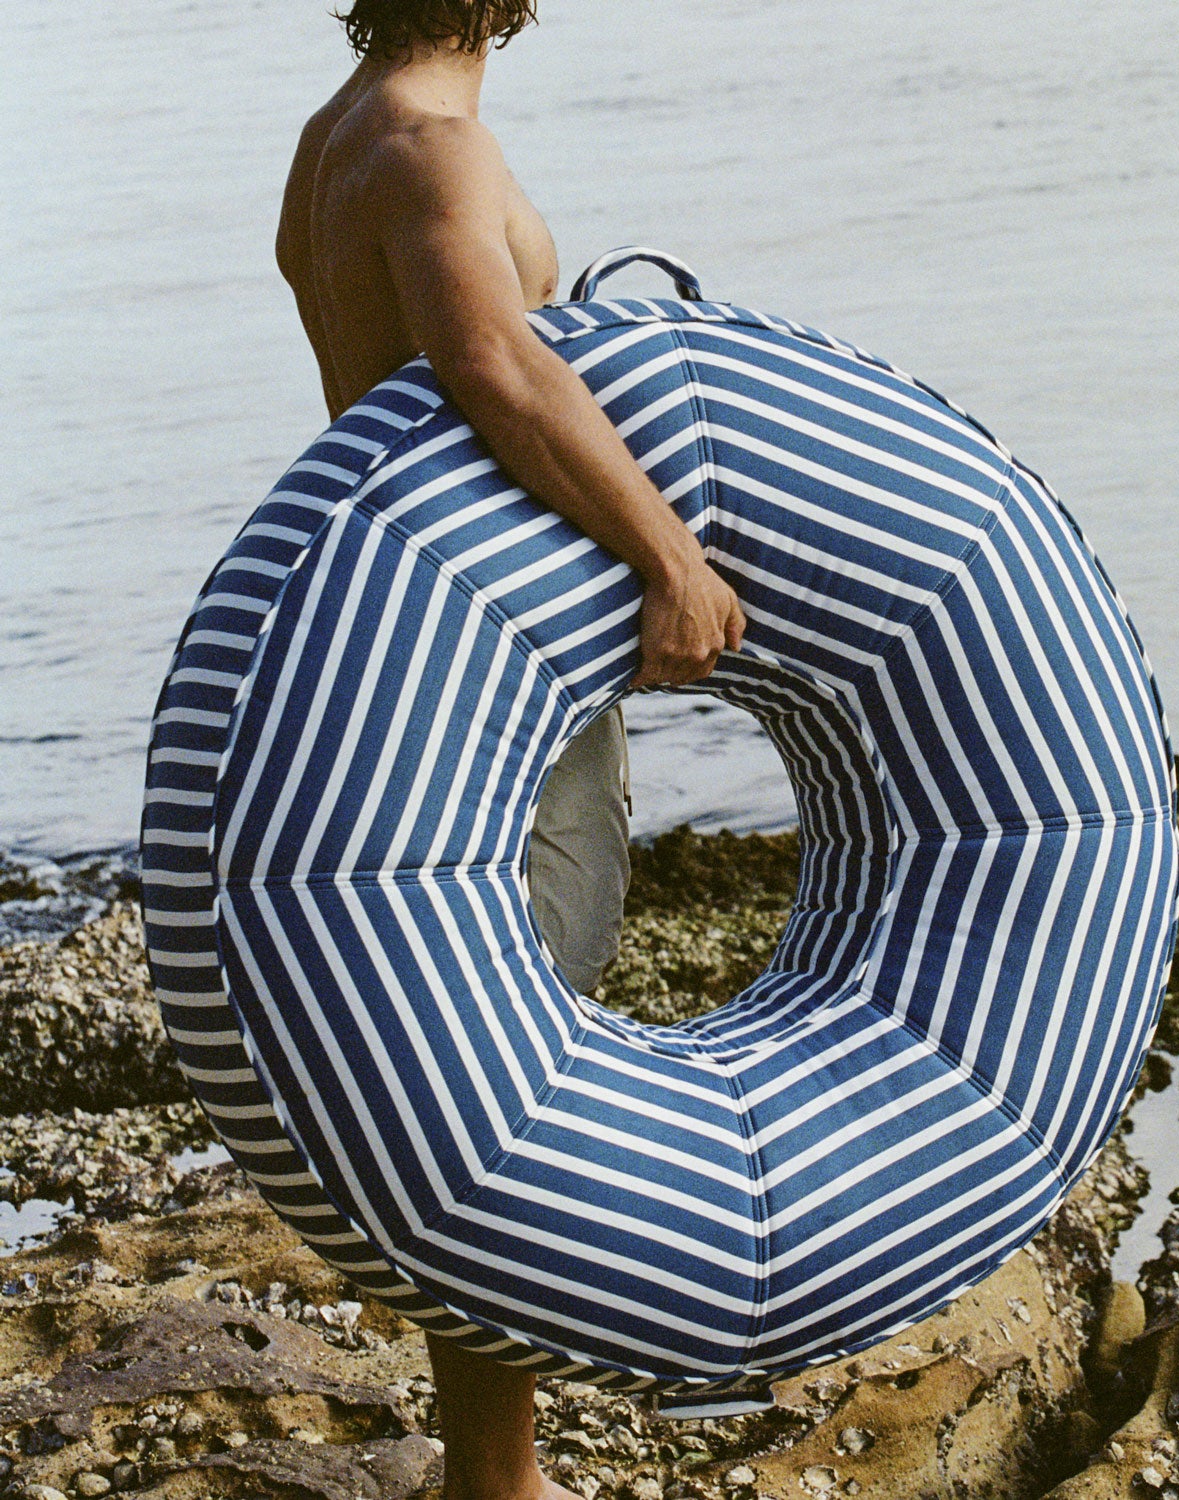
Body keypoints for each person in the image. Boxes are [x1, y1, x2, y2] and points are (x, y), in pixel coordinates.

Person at [274, 3, 746, 1496]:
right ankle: (498, 1473)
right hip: (488, 659)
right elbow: (493, 366)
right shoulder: (433, 145)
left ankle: (496, 1457)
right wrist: (669, 555)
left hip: (416, 634)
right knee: (510, 1065)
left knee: (473, 1055)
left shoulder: (337, 137)